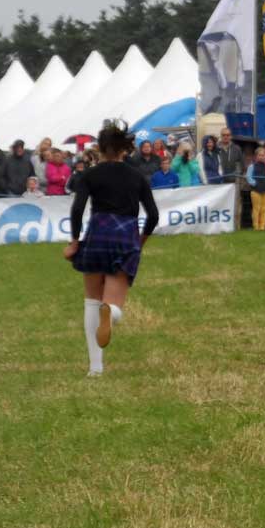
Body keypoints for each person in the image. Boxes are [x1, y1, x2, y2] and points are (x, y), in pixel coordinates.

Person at [63, 124, 159, 377]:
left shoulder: (90, 175)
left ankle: (95, 369)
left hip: (98, 233)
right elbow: (153, 215)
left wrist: (74, 241)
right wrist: (141, 240)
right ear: (124, 149)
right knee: (113, 303)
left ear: (101, 148)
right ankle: (112, 312)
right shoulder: (136, 176)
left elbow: (76, 210)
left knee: (91, 302)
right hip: (126, 234)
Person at [245, 146, 265, 231]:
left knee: (264, 209)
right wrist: (254, 183)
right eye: (260, 155)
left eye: (263, 155)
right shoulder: (252, 166)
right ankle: (256, 227)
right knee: (256, 208)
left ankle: (262, 227)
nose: (262, 157)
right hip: (256, 190)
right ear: (256, 156)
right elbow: (248, 176)